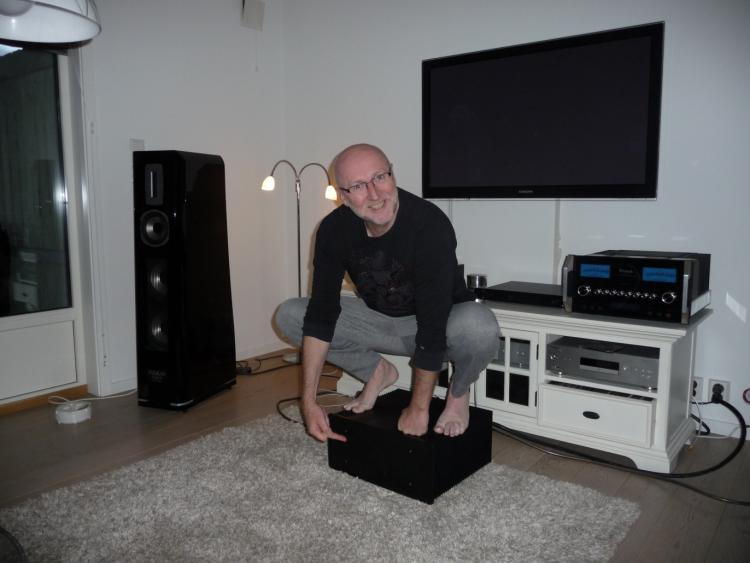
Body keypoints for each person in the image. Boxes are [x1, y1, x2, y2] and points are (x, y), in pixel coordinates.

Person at [275, 143, 499, 442]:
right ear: (343, 196)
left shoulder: (429, 224)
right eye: (358, 186)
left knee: (479, 325)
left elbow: (432, 326)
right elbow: (321, 315)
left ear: (392, 174)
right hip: (378, 322)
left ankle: (458, 394)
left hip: (441, 325)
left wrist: (419, 408)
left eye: (380, 177)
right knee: (291, 314)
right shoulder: (332, 230)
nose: (375, 194)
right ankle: (377, 371)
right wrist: (309, 401)